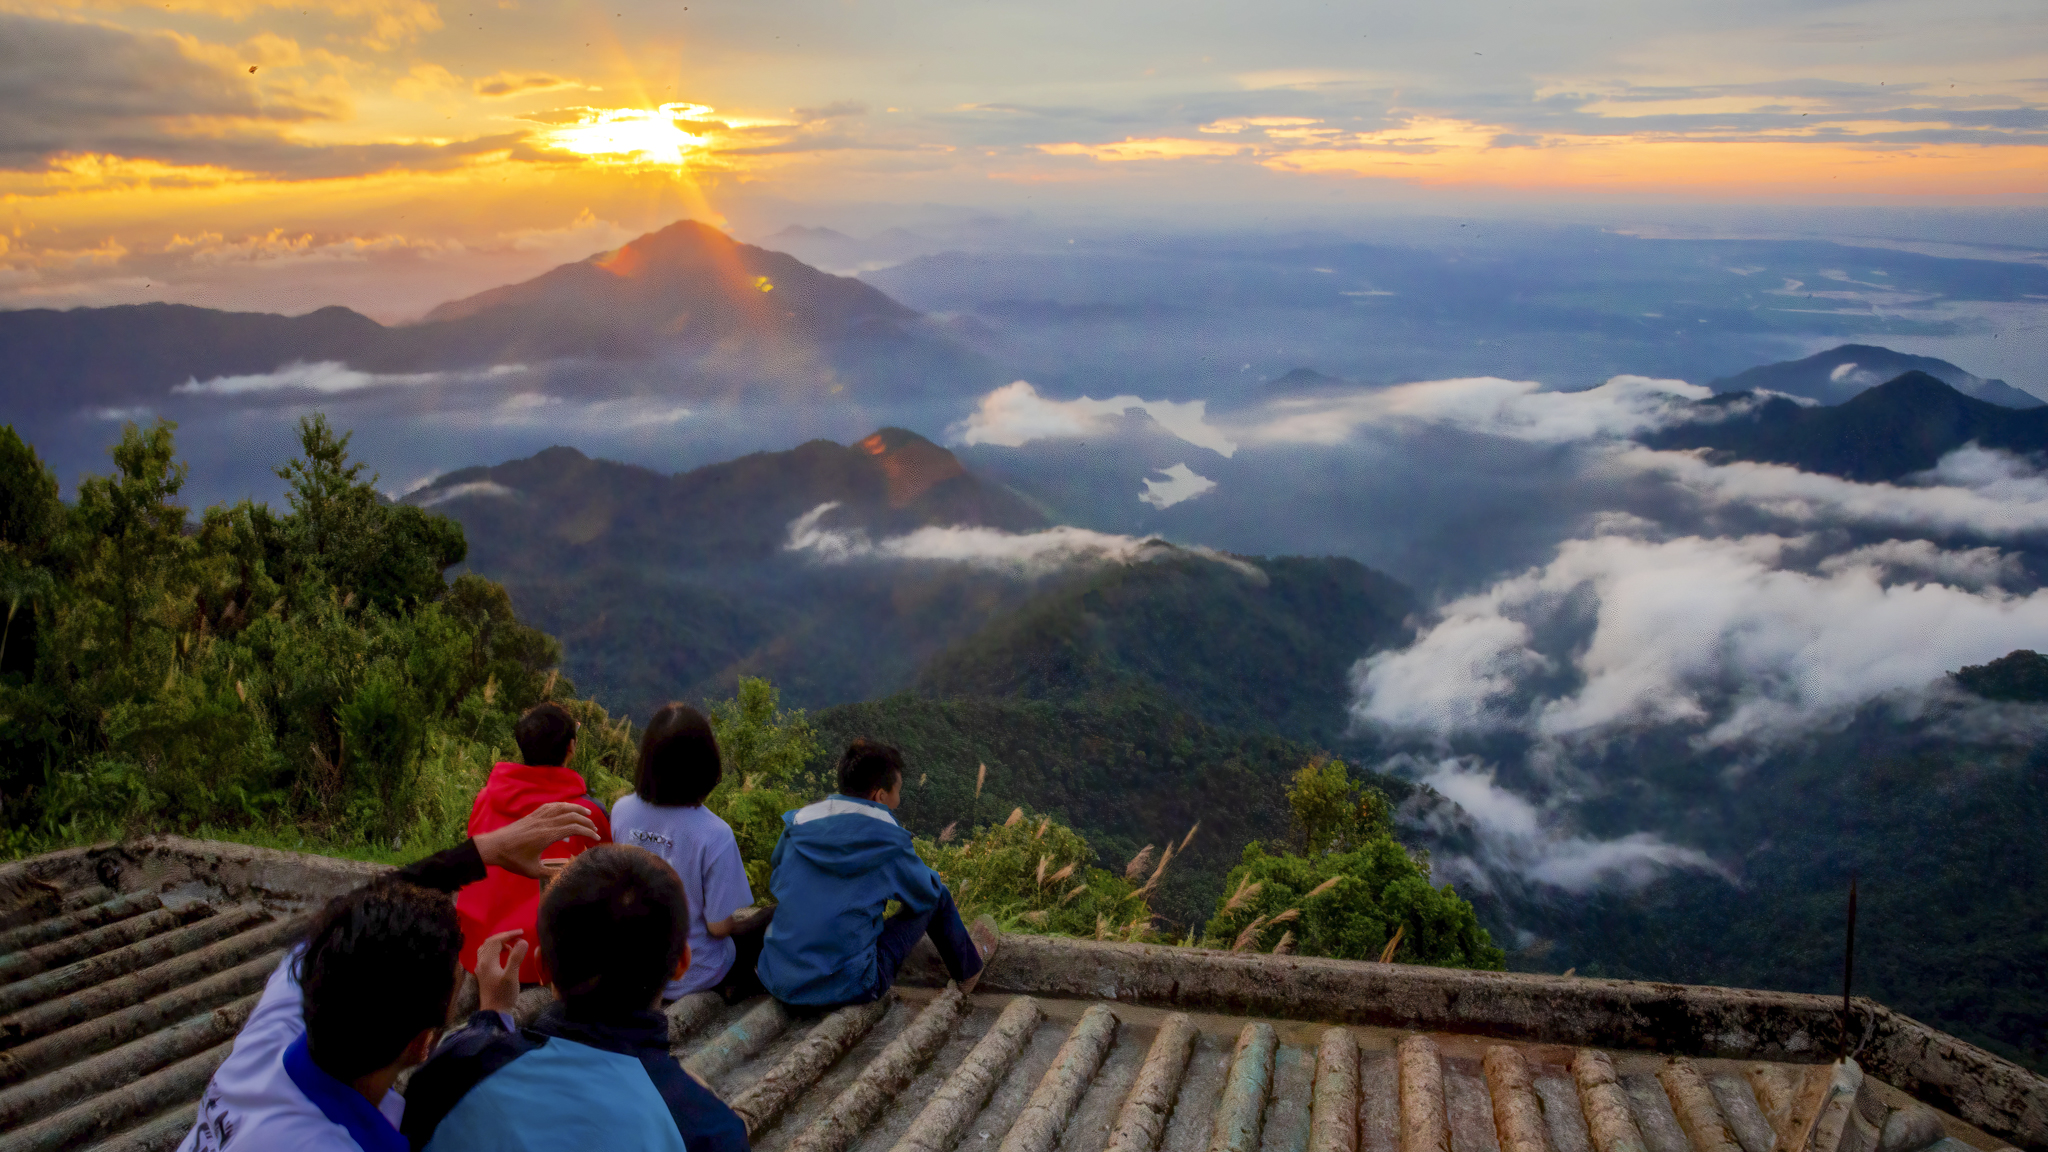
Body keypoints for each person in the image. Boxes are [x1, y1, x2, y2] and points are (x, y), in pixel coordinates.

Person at [178, 803, 602, 1152]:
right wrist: (493, 1019)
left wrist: (485, 850)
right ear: (422, 1044)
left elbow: (356, 908)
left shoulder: (271, 1027)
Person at [400, 845, 750, 1152]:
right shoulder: (710, 1130)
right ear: (681, 964)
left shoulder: (453, 1070)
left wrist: (490, 1017)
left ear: (542, 967)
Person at [756, 739, 996, 1009]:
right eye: (898, 790)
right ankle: (969, 969)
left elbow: (779, 869)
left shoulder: (799, 822)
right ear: (879, 796)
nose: (899, 799)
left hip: (777, 978)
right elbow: (925, 890)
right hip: (851, 984)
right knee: (937, 893)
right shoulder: (887, 840)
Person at [609, 704, 765, 1002]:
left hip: (635, 969)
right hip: (694, 973)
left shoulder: (621, 812)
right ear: (706, 766)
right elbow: (719, 928)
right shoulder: (715, 834)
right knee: (768, 920)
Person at [454, 701, 611, 984]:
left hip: (476, 946)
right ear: (571, 747)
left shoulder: (486, 798)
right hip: (537, 960)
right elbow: (611, 881)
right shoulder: (586, 812)